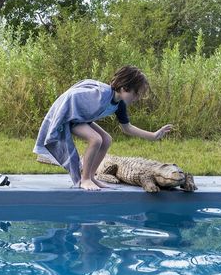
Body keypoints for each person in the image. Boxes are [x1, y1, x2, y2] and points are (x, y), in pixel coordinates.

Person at [33, 66, 173, 191]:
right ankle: (85, 179)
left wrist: (154, 135)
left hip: (81, 119)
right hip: (68, 117)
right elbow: (71, 96)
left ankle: (92, 176)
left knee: (106, 139)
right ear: (124, 88)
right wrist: (61, 117)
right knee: (96, 139)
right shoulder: (101, 94)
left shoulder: (120, 105)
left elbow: (127, 128)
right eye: (136, 94)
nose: (137, 98)